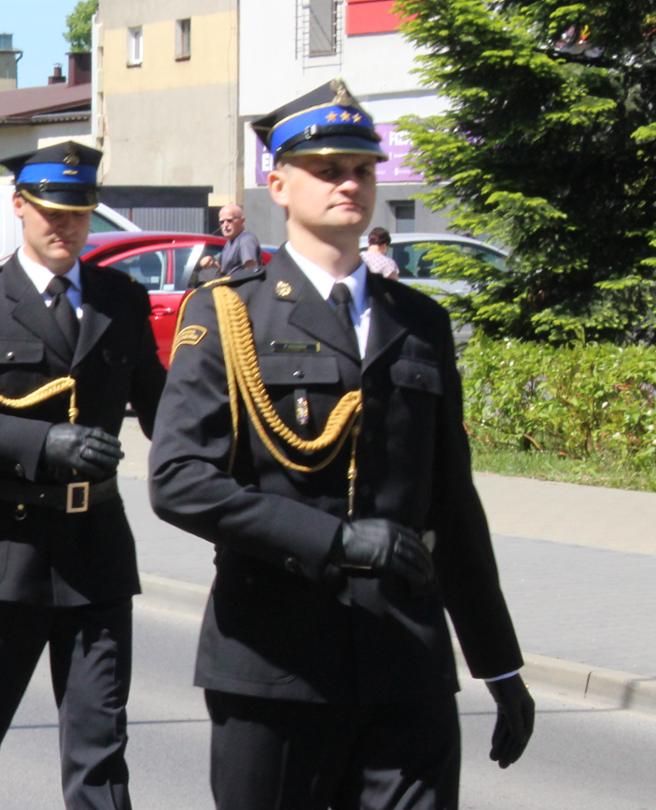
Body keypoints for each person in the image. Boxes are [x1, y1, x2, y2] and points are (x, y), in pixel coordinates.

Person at [149, 79, 535, 808]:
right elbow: (179, 480)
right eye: (326, 170)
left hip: (404, 659)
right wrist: (337, 541)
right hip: (275, 661)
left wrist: (497, 661)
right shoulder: (228, 313)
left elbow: (453, 505)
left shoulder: (418, 320)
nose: (348, 183)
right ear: (279, 186)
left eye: (361, 169)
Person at [0, 142, 164, 810]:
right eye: (52, 211)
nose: (66, 226)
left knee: (99, 738)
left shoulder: (120, 300)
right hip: (0, 548)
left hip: (95, 549)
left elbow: (164, 410)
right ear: (19, 205)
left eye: (79, 212)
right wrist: (42, 442)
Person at [192, 203, 262, 288]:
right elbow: (224, 268)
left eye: (229, 220)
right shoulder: (229, 243)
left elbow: (251, 271)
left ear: (242, 221)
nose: (225, 225)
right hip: (228, 289)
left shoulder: (246, 240)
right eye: (222, 222)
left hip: (240, 291)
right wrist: (211, 263)